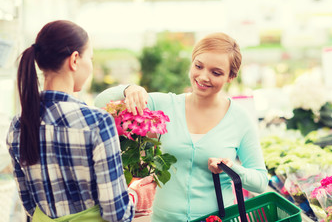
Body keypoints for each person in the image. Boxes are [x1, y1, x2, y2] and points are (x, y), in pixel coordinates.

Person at [94, 32, 269, 221]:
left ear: (230, 77)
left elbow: (260, 182)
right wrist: (128, 89)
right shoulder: (164, 105)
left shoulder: (239, 118)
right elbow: (100, 103)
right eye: (198, 66)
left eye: (216, 72)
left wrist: (231, 168)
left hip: (217, 218)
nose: (203, 77)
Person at [6, 20, 146, 222]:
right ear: (74, 60)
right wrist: (133, 196)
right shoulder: (97, 122)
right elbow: (116, 213)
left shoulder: (19, 123)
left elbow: (28, 204)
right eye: (90, 58)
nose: (91, 65)